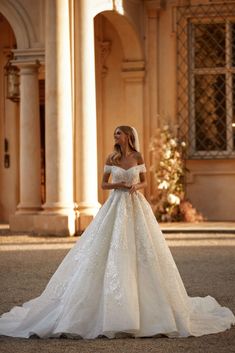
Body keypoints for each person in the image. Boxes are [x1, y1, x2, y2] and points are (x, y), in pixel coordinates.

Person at [0, 125, 234, 339]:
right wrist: (119, 185)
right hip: (115, 204)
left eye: (118, 134)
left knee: (142, 251)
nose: (115, 137)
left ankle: (149, 311)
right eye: (114, 134)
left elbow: (144, 182)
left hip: (135, 206)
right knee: (107, 248)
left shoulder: (138, 157)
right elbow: (103, 185)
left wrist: (135, 186)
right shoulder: (111, 157)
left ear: (129, 137)